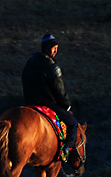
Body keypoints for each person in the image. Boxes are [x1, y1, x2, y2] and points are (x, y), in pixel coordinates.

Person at [22, 33, 78, 162]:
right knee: (72, 124)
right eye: (54, 48)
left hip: (29, 103)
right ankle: (65, 151)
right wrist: (67, 105)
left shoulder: (30, 63)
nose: (56, 51)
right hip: (48, 104)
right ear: (47, 48)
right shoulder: (51, 66)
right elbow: (59, 90)